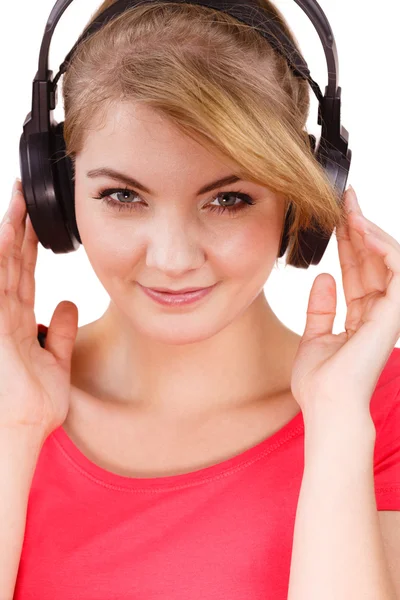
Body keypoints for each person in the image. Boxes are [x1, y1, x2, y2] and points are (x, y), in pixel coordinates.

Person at [1, 1, 399, 599]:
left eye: (228, 199)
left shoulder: (380, 412)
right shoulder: (8, 394)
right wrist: (13, 428)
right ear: (55, 193)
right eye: (122, 195)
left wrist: (338, 421)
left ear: (301, 197)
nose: (172, 258)